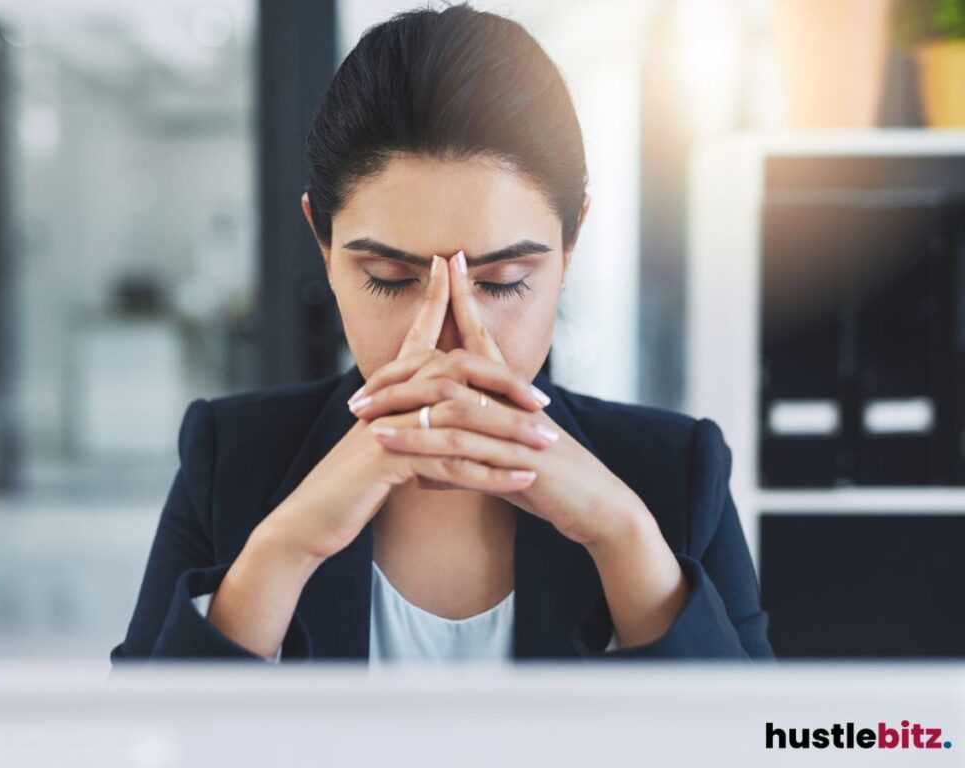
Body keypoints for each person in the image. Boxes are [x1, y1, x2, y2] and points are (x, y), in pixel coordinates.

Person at [110, 2, 773, 666]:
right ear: (324, 244)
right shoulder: (231, 462)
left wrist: (626, 541)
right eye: (391, 279)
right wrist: (285, 549)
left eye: (505, 280)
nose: (448, 342)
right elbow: (142, 748)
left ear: (569, 249)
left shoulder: (674, 475)